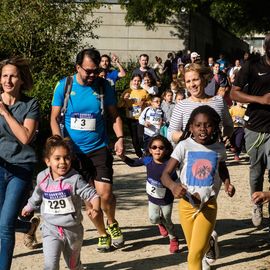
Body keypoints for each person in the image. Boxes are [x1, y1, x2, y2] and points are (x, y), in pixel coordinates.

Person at [50, 48, 125, 252]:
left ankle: (112, 222)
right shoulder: (64, 86)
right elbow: (54, 118)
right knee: (89, 200)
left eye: (96, 70)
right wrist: (59, 145)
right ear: (77, 67)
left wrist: (119, 138)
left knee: (106, 195)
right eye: (88, 71)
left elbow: (114, 116)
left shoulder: (104, 86)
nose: (93, 75)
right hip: (74, 152)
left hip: (99, 148)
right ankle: (102, 233)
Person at [161, 105, 235, 270]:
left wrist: (227, 183)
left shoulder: (219, 148)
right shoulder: (184, 146)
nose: (203, 129)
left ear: (215, 127)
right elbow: (165, 174)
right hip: (186, 206)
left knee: (193, 255)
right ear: (190, 127)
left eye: (208, 125)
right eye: (198, 125)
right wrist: (173, 186)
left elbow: (222, 168)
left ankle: (205, 245)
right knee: (195, 249)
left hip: (208, 205)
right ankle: (209, 244)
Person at [21, 135, 101, 269]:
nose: (63, 162)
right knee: (50, 265)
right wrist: (29, 206)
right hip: (50, 229)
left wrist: (96, 208)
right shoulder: (42, 177)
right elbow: (37, 194)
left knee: (73, 266)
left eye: (66, 157)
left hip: (73, 231)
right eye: (57, 158)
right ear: (47, 161)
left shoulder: (75, 179)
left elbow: (92, 194)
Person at [0, 56, 40, 270]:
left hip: (21, 168)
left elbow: (25, 137)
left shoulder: (30, 104)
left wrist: (5, 113)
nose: (8, 80)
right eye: (4, 76)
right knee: (1, 224)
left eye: (13, 76)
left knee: (5, 226)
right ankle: (28, 227)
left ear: (21, 80)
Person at [230, 33, 270, 228]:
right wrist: (260, 100)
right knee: (256, 173)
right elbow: (234, 92)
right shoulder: (252, 66)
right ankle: (257, 203)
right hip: (255, 126)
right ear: (267, 49)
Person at [119, 135, 180, 254]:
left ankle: (173, 239)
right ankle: (159, 223)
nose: (158, 150)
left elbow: (176, 179)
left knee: (167, 217)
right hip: (152, 197)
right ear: (150, 150)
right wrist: (123, 157)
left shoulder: (169, 164)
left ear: (166, 150)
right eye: (154, 147)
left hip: (166, 198)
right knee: (153, 218)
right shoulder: (147, 160)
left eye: (161, 148)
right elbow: (133, 163)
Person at [168, 63, 233, 145]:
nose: (192, 85)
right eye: (188, 81)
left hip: (214, 153)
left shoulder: (219, 101)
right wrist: (190, 136)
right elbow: (170, 134)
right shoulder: (181, 105)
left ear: (204, 79)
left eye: (195, 79)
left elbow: (229, 125)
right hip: (190, 154)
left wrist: (225, 136)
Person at [118, 74, 149, 157]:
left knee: (140, 136)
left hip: (140, 118)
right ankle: (140, 155)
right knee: (134, 138)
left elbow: (149, 103)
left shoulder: (144, 91)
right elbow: (119, 105)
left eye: (138, 81)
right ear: (131, 81)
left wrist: (144, 103)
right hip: (130, 118)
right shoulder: (127, 91)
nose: (136, 82)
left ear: (141, 82)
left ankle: (143, 151)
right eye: (135, 80)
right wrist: (124, 99)